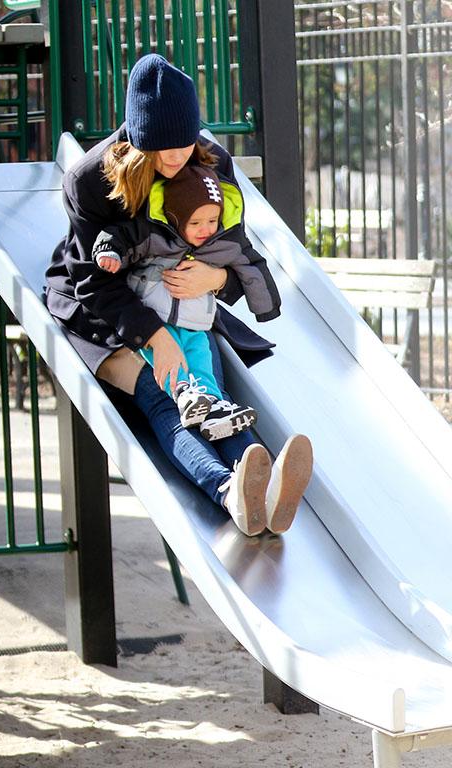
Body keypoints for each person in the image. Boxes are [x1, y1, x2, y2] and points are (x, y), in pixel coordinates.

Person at [44, 52, 313, 536]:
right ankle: (228, 492)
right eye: (160, 147)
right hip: (105, 309)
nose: (174, 156)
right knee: (165, 395)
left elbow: (232, 253)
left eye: (183, 142)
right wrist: (154, 339)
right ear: (135, 138)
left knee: (211, 394)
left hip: (178, 297)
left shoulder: (211, 163)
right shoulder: (89, 180)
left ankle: (267, 488)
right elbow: (93, 282)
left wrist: (215, 282)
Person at [91, 162, 281, 442]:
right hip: (154, 321)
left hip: (195, 324)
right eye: (195, 223)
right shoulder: (156, 236)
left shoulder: (222, 243)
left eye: (212, 220)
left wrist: (266, 307)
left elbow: (252, 266)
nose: (205, 229)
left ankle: (213, 406)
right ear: (175, 218)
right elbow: (122, 236)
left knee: (201, 358)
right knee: (170, 359)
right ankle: (184, 393)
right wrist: (109, 254)